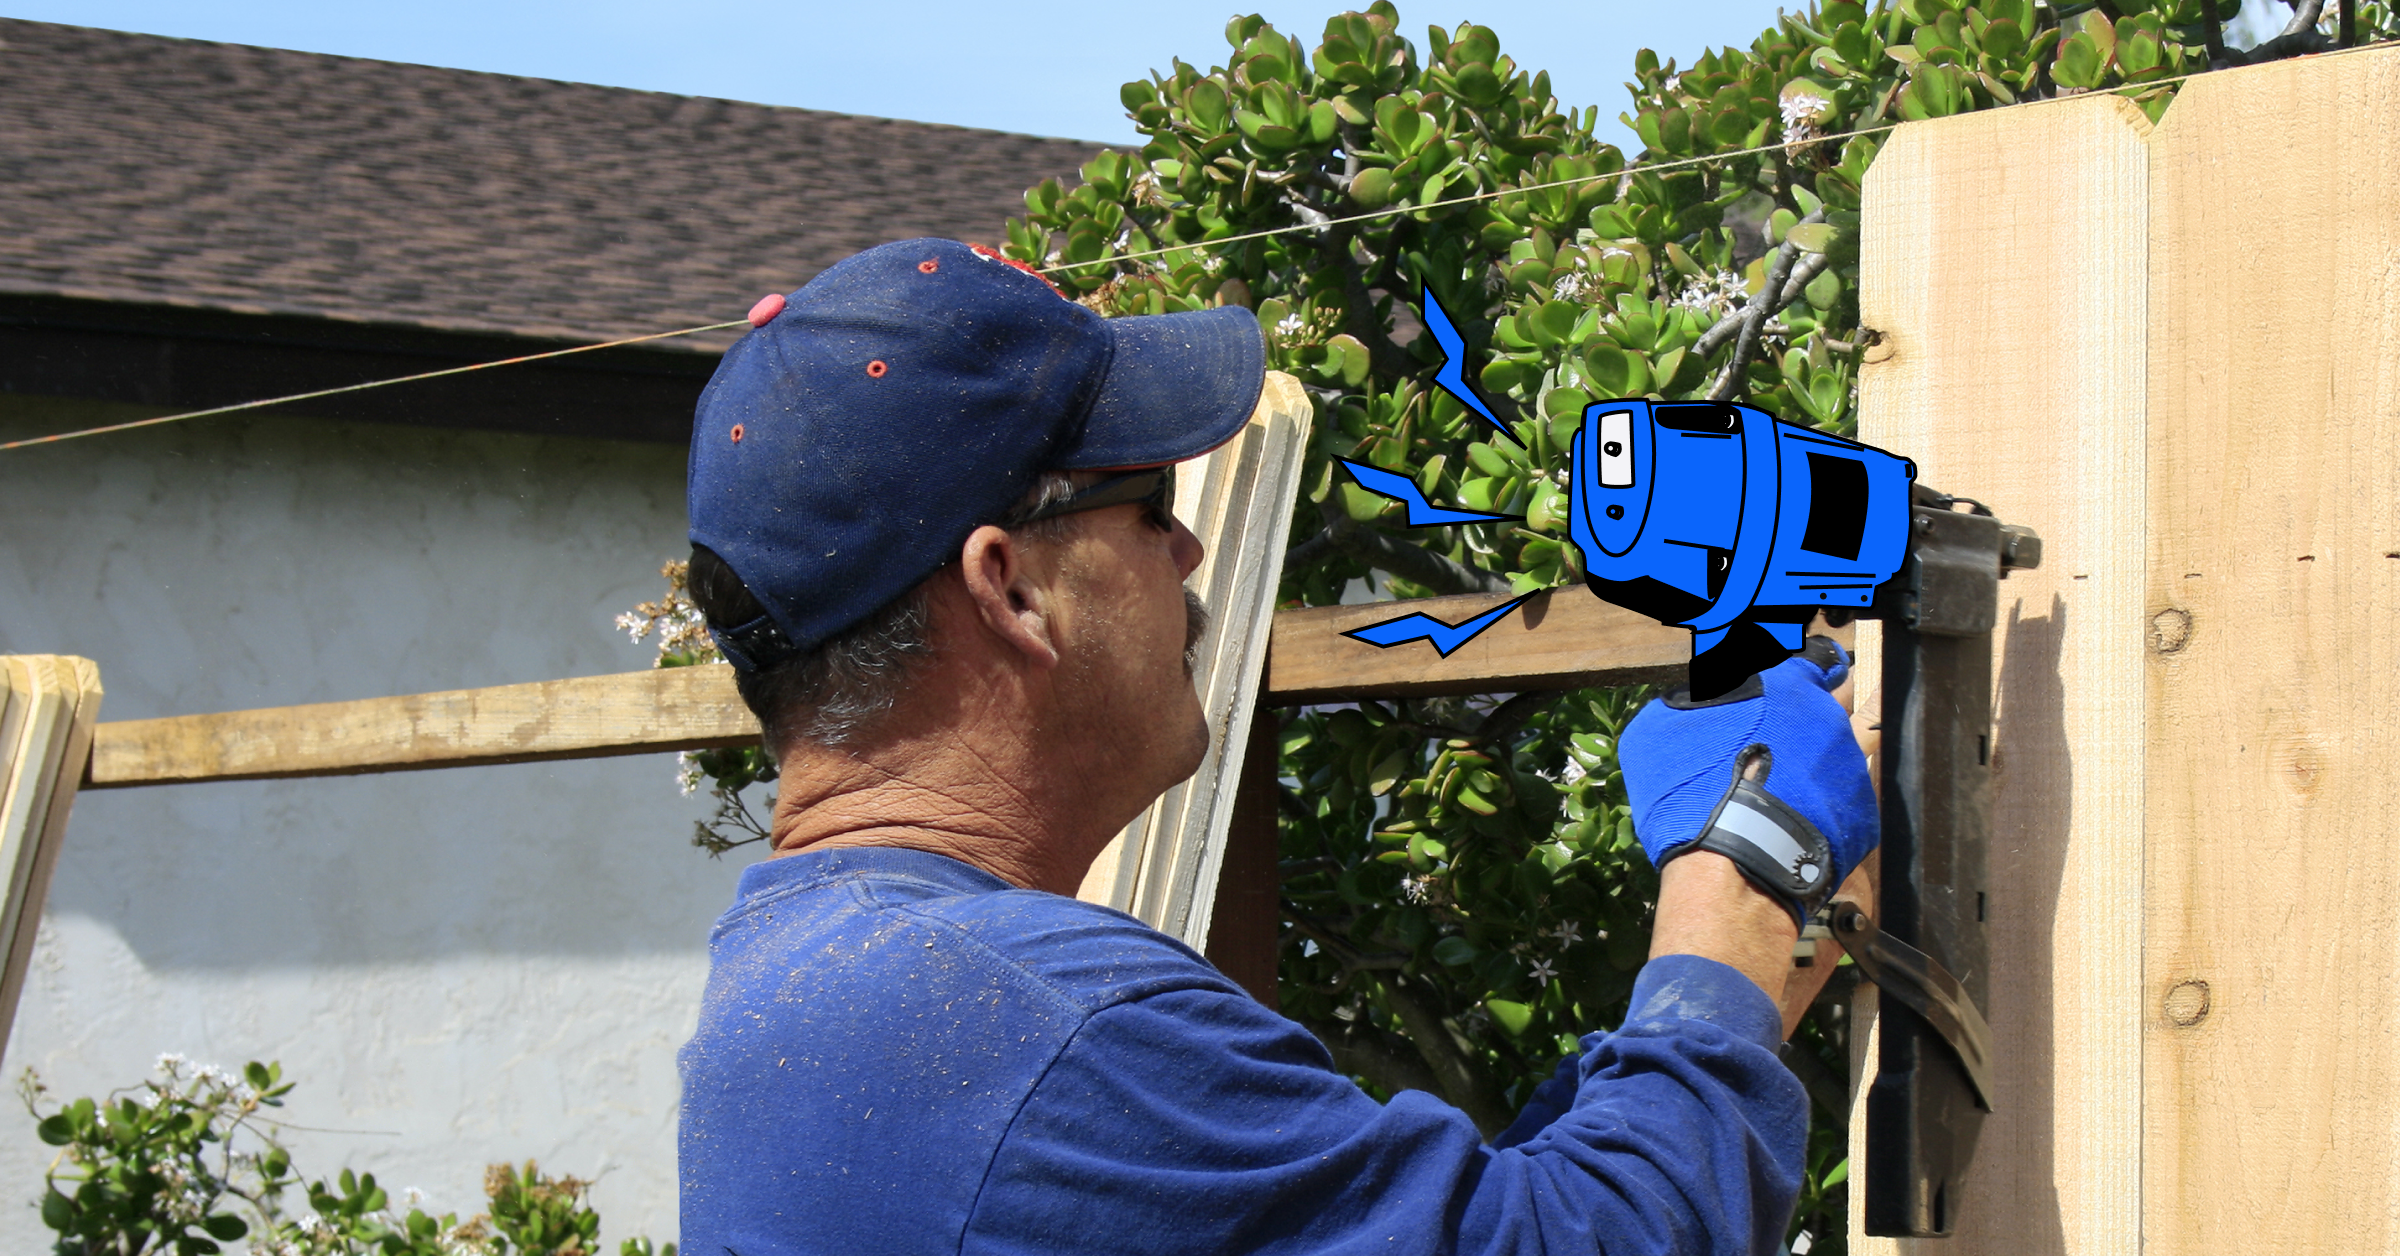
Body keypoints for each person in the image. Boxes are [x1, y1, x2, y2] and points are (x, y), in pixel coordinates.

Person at [674, 237, 1881, 1256]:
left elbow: (1448, 1225)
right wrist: (1746, 871)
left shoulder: (794, 983)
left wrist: (1696, 1027)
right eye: (1147, 504)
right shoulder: (1048, 1027)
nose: (1189, 553)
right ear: (1011, 590)